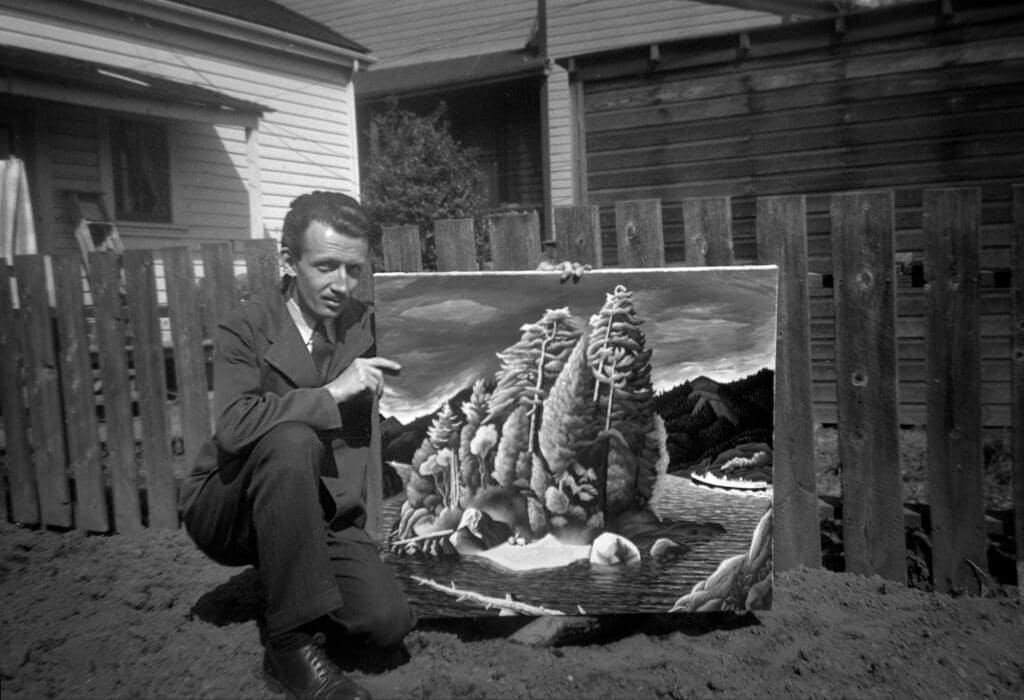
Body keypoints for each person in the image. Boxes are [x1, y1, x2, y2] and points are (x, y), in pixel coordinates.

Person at [180, 191, 413, 700]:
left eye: (354, 269)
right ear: (288, 261)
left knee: (386, 624)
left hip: (324, 509)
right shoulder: (246, 325)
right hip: (230, 504)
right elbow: (236, 426)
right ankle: (288, 645)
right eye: (326, 266)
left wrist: (554, 284)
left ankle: (292, 581)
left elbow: (454, 331)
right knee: (290, 440)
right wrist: (332, 393)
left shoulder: (367, 324)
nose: (341, 285)